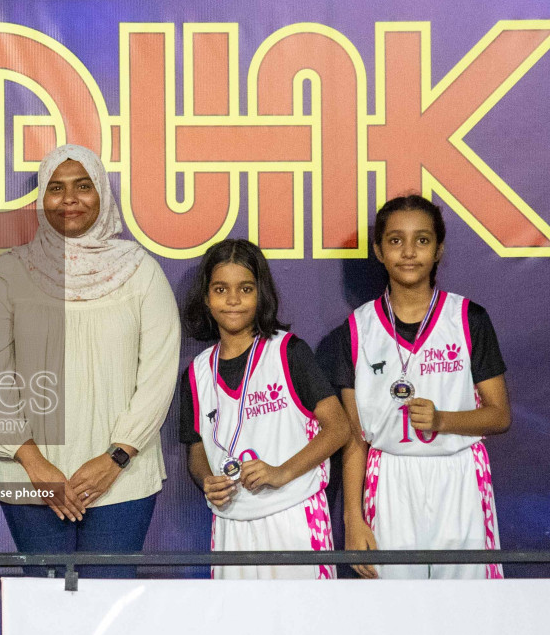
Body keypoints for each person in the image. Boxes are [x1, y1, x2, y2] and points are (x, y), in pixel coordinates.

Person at [0, 144, 179, 574]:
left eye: (83, 186)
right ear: (40, 200)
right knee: (46, 615)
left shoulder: (140, 271)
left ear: (102, 194)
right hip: (31, 478)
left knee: (107, 611)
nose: (69, 199)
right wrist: (32, 460)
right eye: (56, 188)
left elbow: (158, 375)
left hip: (121, 479)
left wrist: (115, 457)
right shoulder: (9, 273)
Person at [327, 195, 510, 579]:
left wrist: (443, 419)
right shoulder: (357, 329)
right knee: (393, 612)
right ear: (378, 250)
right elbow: (355, 436)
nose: (408, 252)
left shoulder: (468, 318)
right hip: (389, 478)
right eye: (395, 241)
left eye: (422, 240)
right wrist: (353, 518)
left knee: (468, 607)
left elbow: (499, 415)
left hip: (458, 476)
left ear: (439, 248)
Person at [180, 239, 350, 579]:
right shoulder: (197, 372)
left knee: (304, 626)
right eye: (220, 289)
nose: (233, 300)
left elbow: (340, 428)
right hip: (231, 523)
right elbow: (197, 451)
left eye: (245, 289)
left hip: (293, 515)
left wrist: (281, 472)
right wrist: (207, 480)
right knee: (239, 630)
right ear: (206, 297)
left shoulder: (288, 352)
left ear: (261, 294)